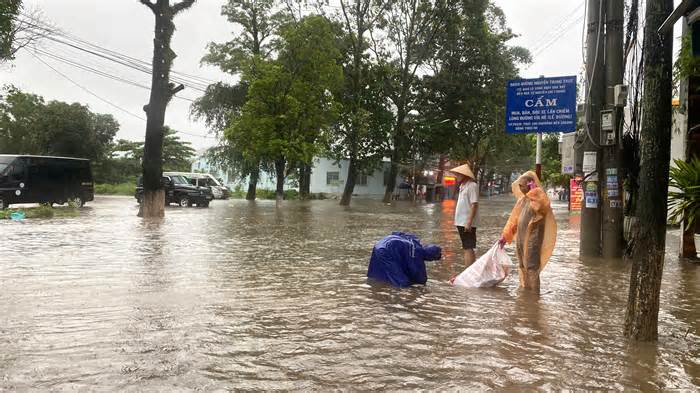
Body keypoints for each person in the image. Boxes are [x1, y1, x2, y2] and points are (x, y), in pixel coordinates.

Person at [498, 171, 557, 293]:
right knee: (522, 265)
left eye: (523, 185)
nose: (520, 188)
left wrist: (534, 192)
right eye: (519, 185)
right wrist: (505, 236)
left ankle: (535, 296)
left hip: (533, 239)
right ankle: (526, 292)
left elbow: (541, 208)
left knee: (532, 267)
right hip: (521, 237)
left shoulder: (539, 197)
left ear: (530, 185)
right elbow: (513, 219)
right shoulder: (522, 200)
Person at [367, 232, 442, 288]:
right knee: (402, 282)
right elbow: (419, 276)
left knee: (376, 276)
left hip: (379, 245)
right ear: (430, 257)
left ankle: (373, 286)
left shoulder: (413, 241)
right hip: (386, 250)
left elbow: (396, 233)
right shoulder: (417, 251)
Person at [450, 163, 479, 267]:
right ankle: (470, 270)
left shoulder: (472, 185)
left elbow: (474, 204)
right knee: (466, 246)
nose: (456, 176)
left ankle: (469, 271)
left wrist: (469, 222)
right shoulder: (462, 186)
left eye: (458, 174)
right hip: (461, 221)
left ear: (464, 175)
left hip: (467, 222)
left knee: (468, 247)